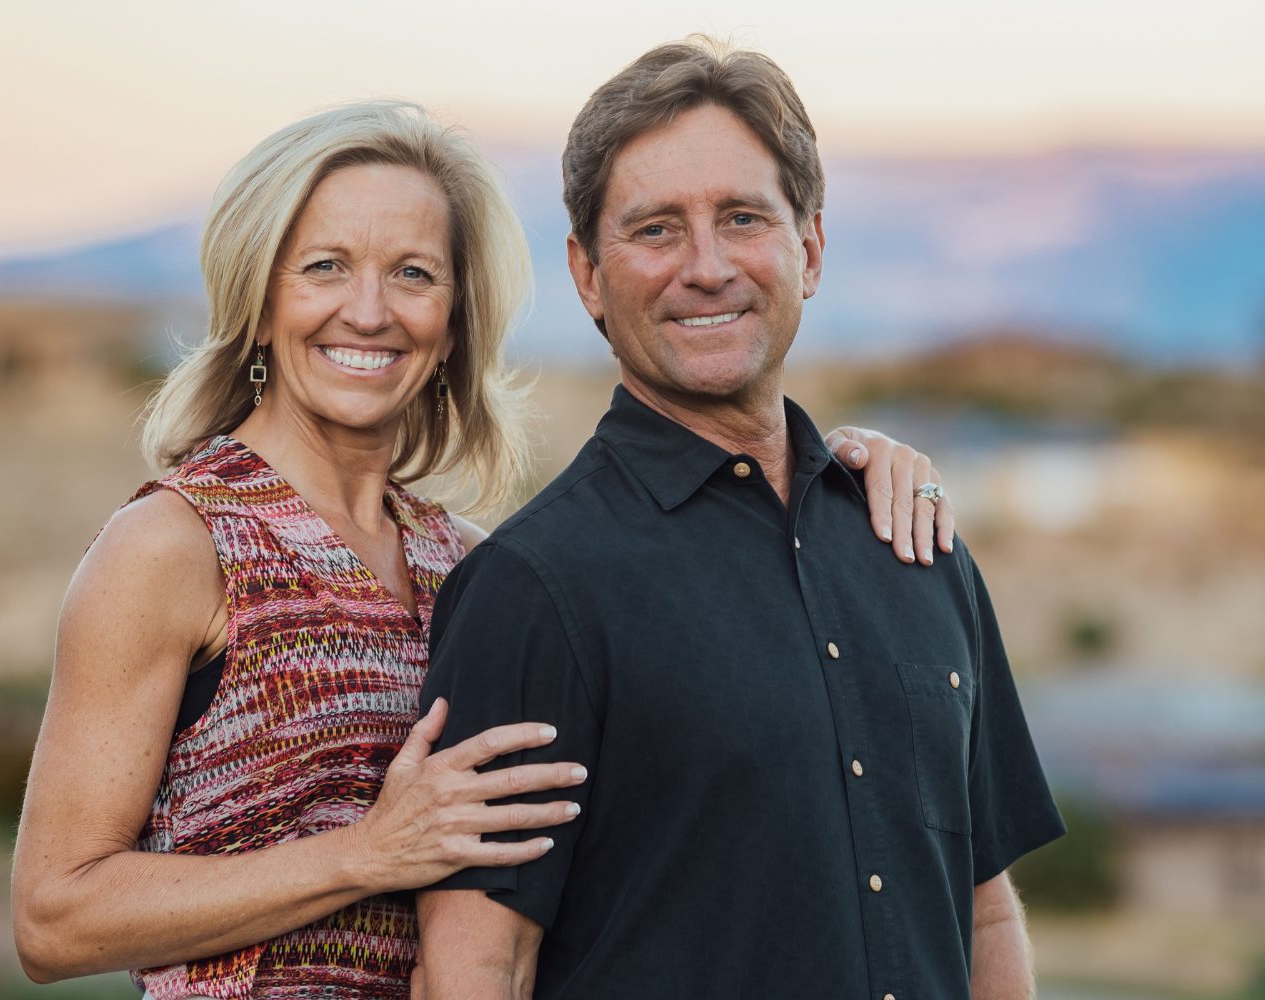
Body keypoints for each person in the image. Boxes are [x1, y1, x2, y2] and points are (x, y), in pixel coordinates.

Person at [10, 100, 961, 999]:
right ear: (259, 303)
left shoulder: (469, 563)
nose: (371, 312)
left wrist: (831, 481)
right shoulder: (177, 545)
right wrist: (366, 854)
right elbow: (54, 916)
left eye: (414, 274)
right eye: (325, 267)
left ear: (457, 318)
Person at [415, 39, 1065, 1000]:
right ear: (589, 275)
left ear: (807, 249)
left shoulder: (917, 545)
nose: (707, 267)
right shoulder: (535, 590)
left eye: (742, 218)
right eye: (655, 230)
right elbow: (477, 966)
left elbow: (983, 911)